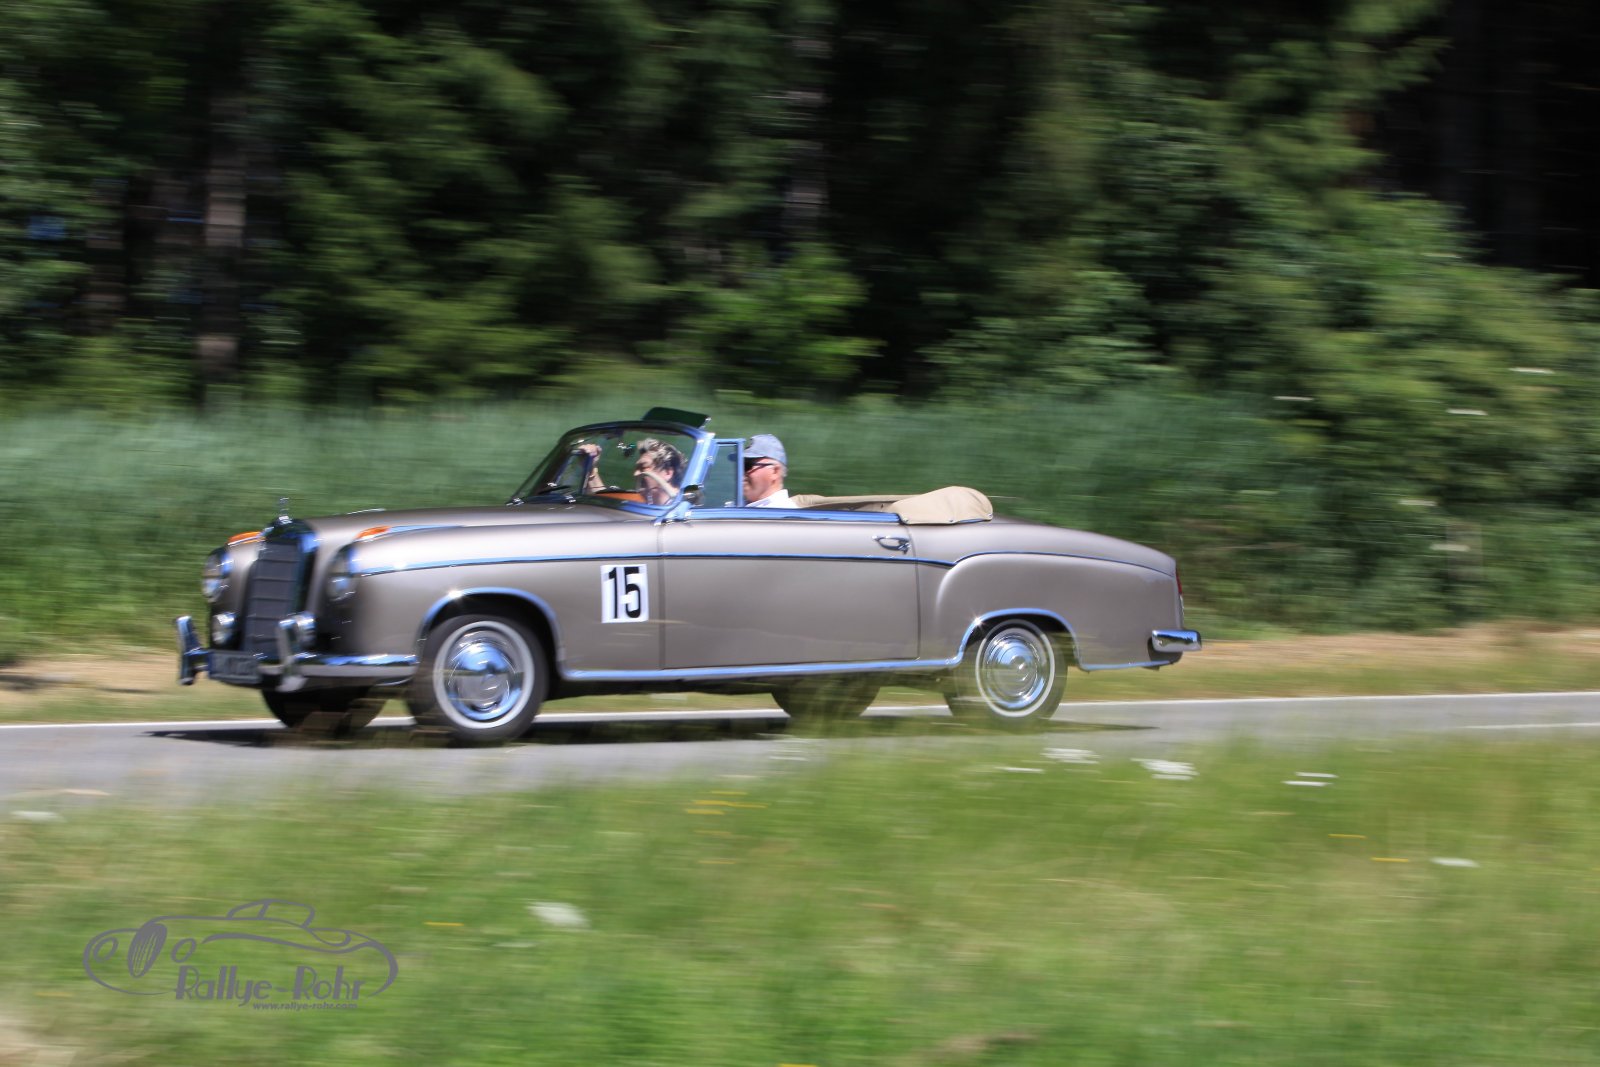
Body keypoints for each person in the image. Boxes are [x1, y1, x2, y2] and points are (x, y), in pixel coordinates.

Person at [743, 434, 792, 508]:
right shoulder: (735, 507)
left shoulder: (782, 511)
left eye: (747, 465)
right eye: (739, 466)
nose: (741, 473)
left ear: (775, 471)